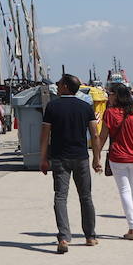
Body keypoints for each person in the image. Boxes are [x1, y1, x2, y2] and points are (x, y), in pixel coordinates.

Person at [39, 74, 98, 254]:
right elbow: (94, 135)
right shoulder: (85, 107)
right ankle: (90, 236)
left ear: (65, 86)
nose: (56, 86)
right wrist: (97, 158)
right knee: (85, 196)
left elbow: (45, 135)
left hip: (59, 158)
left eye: (58, 83)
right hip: (81, 157)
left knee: (60, 197)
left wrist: (43, 158)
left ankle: (64, 237)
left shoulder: (52, 107)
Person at [92, 84, 133, 240]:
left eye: (110, 94)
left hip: (117, 157)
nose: (108, 96)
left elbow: (102, 137)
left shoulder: (109, 113)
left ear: (117, 96)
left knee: (125, 191)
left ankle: (132, 229)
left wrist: (97, 157)